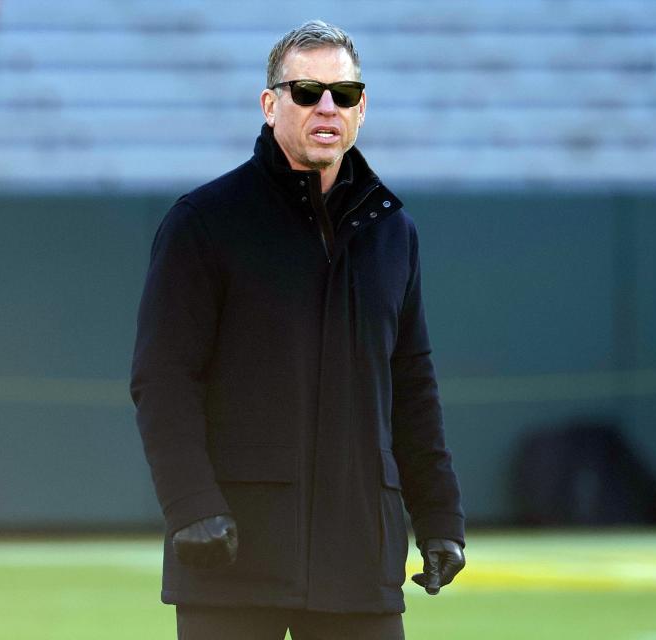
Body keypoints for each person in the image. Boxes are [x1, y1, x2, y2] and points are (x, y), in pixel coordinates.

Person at [130, 20, 465, 639]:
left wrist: (439, 514)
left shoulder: (394, 232)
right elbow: (164, 379)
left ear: (363, 107)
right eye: (307, 92)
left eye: (344, 93)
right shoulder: (203, 222)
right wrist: (190, 506)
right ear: (270, 104)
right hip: (232, 551)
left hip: (358, 555)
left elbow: (412, 383)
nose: (327, 107)